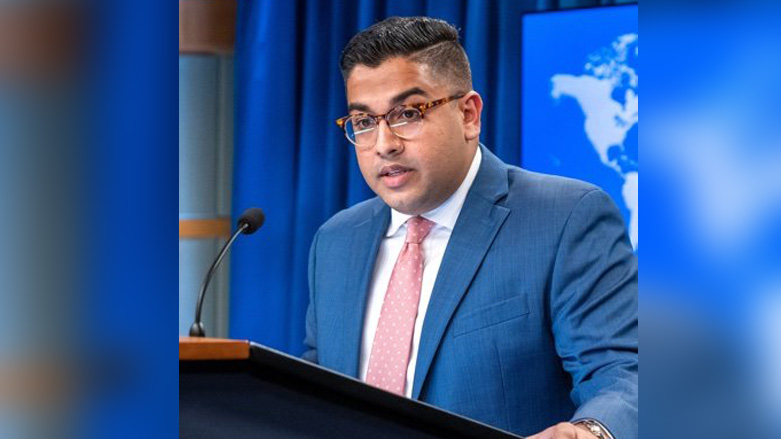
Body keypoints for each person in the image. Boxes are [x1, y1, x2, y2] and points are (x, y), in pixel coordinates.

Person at [303, 16, 637, 439]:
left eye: (407, 113)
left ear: (468, 115)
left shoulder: (566, 218)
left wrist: (591, 431)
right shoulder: (335, 241)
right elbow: (316, 391)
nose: (384, 144)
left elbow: (623, 372)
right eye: (365, 122)